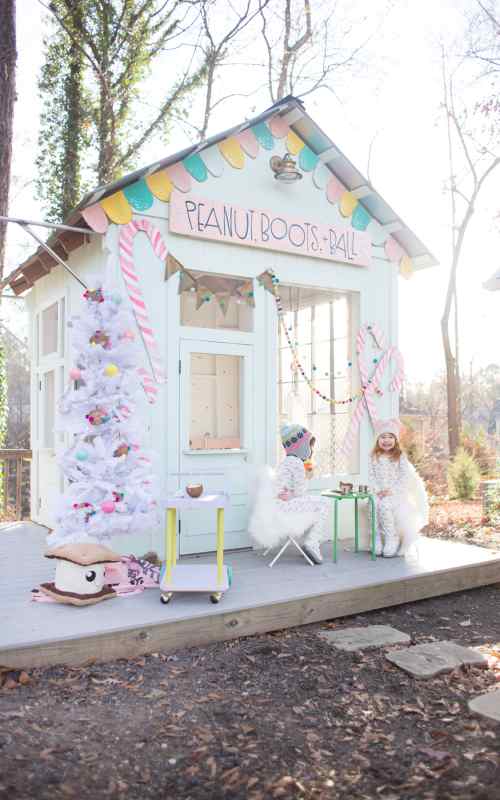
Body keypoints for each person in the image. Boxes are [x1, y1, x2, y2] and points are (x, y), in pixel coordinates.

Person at [368, 419, 428, 557]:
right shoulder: (373, 456)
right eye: (383, 437)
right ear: (377, 440)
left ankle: (391, 538)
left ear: (395, 440)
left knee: (385, 506)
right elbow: (371, 477)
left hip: (396, 494)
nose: (387, 440)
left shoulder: (400, 456)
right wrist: (377, 490)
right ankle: (376, 539)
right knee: (372, 504)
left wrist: (391, 491)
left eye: (390, 437)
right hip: (378, 492)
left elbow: (404, 478)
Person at [272, 424, 331, 564]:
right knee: (325, 503)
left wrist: (290, 493)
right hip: (285, 508)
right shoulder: (297, 463)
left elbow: (284, 488)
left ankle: (309, 541)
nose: (311, 450)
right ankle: (312, 542)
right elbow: (300, 492)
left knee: (317, 504)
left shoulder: (285, 462)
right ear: (300, 445)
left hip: (277, 506)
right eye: (309, 445)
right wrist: (307, 475)